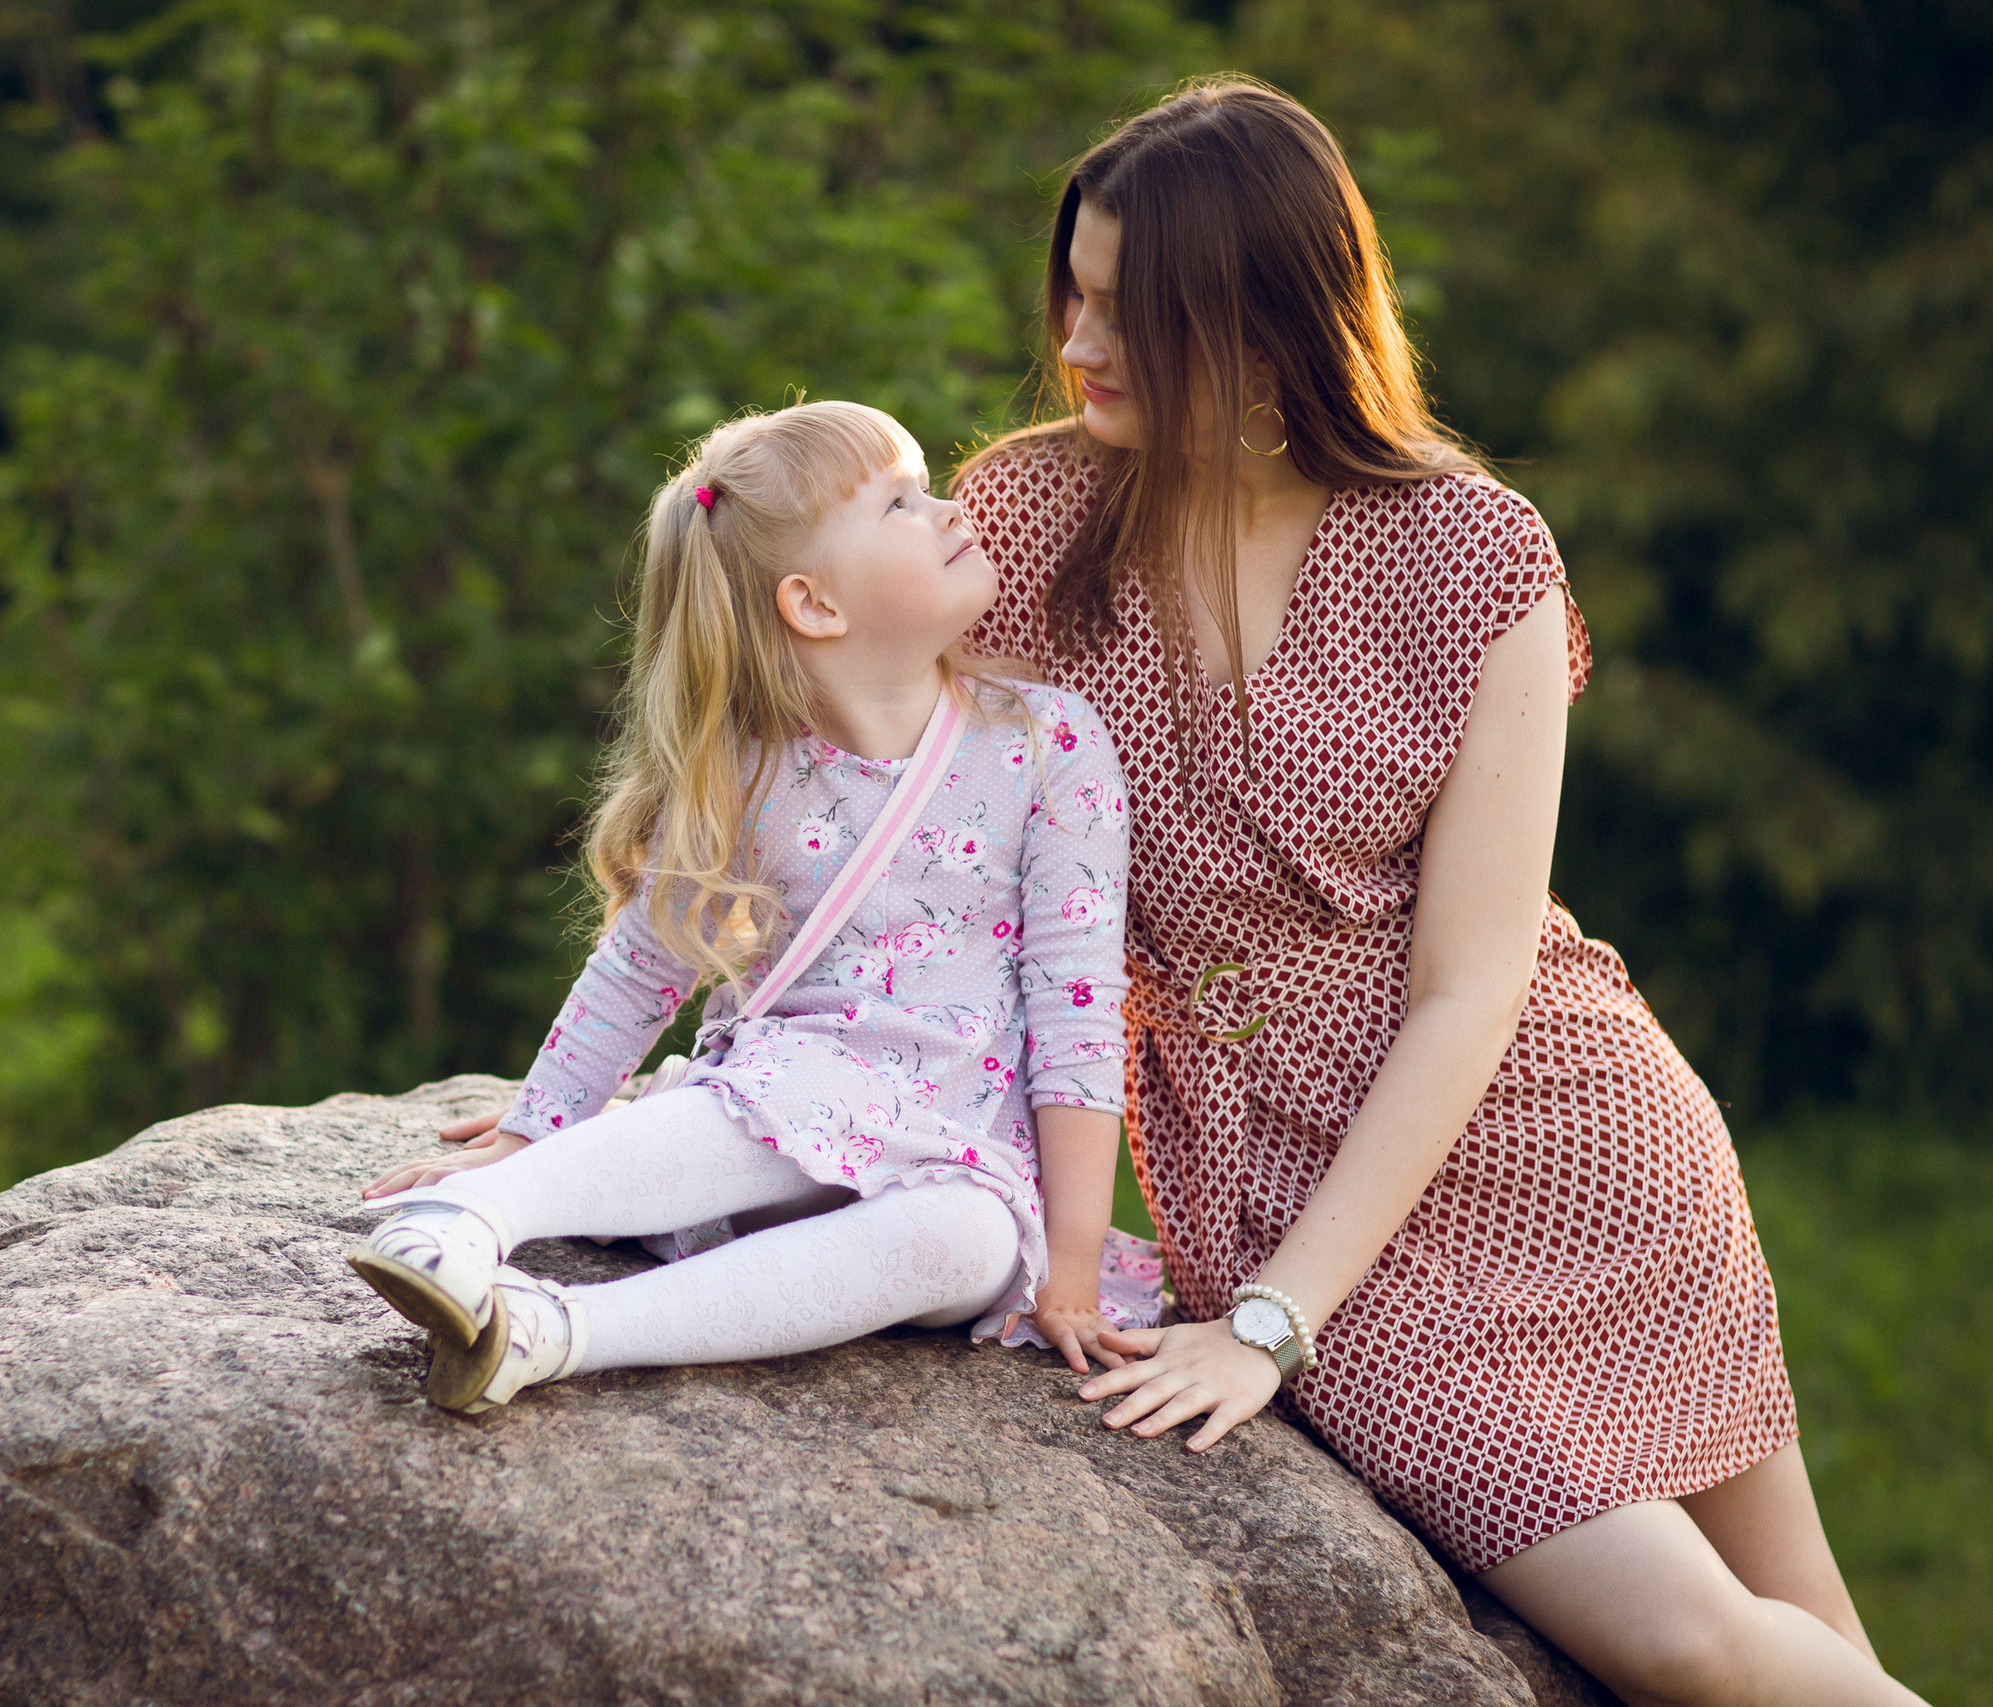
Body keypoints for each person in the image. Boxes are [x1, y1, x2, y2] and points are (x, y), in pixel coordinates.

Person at [950, 78, 1922, 1707]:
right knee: (1714, 1650)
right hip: (1283, 1183)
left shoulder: (1479, 557)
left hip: (1570, 1140)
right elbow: (907, 829)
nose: (1079, 343)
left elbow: (1473, 983)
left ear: (1266, 323)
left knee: (1773, 1629)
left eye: (1130, 312)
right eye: (1075, 294)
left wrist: (1269, 1321)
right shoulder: (1027, 516)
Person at [350, 400, 1137, 1415]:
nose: (949, 509)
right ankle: (469, 1219)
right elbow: (643, 962)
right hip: (786, 1106)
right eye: (902, 502)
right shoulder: (755, 771)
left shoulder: (1048, 744)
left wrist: (1068, 1260)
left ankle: (550, 1335)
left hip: (959, 1145)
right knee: (776, 1097)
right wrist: (535, 1127)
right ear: (813, 605)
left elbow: (1078, 1000)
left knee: (975, 1242)